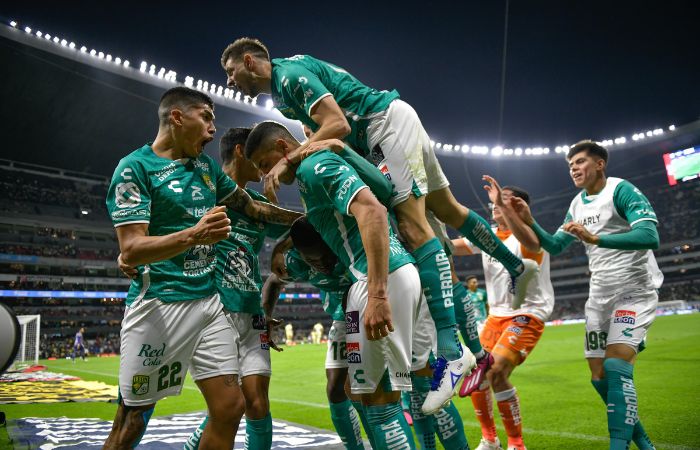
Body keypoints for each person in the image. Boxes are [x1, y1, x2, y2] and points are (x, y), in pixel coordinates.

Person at [220, 38, 538, 413]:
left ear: (249, 61)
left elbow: (337, 124)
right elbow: (330, 130)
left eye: (230, 72)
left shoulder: (287, 77)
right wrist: (324, 146)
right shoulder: (287, 87)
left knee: (413, 224)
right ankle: (517, 265)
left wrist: (293, 159)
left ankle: (452, 353)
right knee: (449, 210)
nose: (229, 82)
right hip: (387, 123)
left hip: (383, 125)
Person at [104, 87, 301, 449]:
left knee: (231, 407)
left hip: (209, 306)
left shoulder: (207, 169)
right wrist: (193, 236)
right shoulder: (135, 168)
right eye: (206, 117)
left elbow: (253, 209)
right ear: (177, 118)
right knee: (131, 422)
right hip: (159, 306)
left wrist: (316, 218)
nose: (213, 128)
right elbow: (130, 249)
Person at [245, 120, 431, 448]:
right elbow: (381, 193)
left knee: (380, 402)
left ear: (282, 149)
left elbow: (372, 210)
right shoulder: (311, 177)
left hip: (376, 282)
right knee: (368, 396)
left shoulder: (313, 168)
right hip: (374, 287)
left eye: (263, 165)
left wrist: (376, 293)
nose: (264, 176)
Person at [499, 140, 661, 450]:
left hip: (634, 291)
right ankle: (643, 442)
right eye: (570, 164)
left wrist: (596, 238)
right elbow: (556, 245)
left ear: (600, 164)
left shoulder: (621, 190)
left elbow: (650, 235)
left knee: (616, 367)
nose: (573, 168)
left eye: (580, 162)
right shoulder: (577, 203)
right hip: (599, 296)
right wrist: (529, 219)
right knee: (599, 376)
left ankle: (619, 445)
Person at [268, 216, 471, 450]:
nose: (320, 263)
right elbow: (276, 276)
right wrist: (280, 248)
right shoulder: (301, 256)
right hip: (351, 310)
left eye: (323, 257)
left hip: (384, 292)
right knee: (357, 390)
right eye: (312, 260)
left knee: (415, 387)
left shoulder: (351, 234)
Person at [183, 127, 290, 450]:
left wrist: (281, 246)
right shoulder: (208, 190)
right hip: (216, 309)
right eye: (259, 158)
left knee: (257, 403)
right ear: (241, 151)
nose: (264, 168)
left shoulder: (258, 203)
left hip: (251, 312)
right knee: (229, 406)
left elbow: (298, 228)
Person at [452, 183, 554, 450]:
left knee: (496, 371)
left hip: (527, 314)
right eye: (495, 200)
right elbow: (452, 246)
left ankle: (517, 444)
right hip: (496, 317)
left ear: (520, 207)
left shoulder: (531, 235)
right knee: (476, 373)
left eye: (504, 200)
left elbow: (529, 243)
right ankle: (489, 440)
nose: (495, 203)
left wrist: (506, 207)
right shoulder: (488, 236)